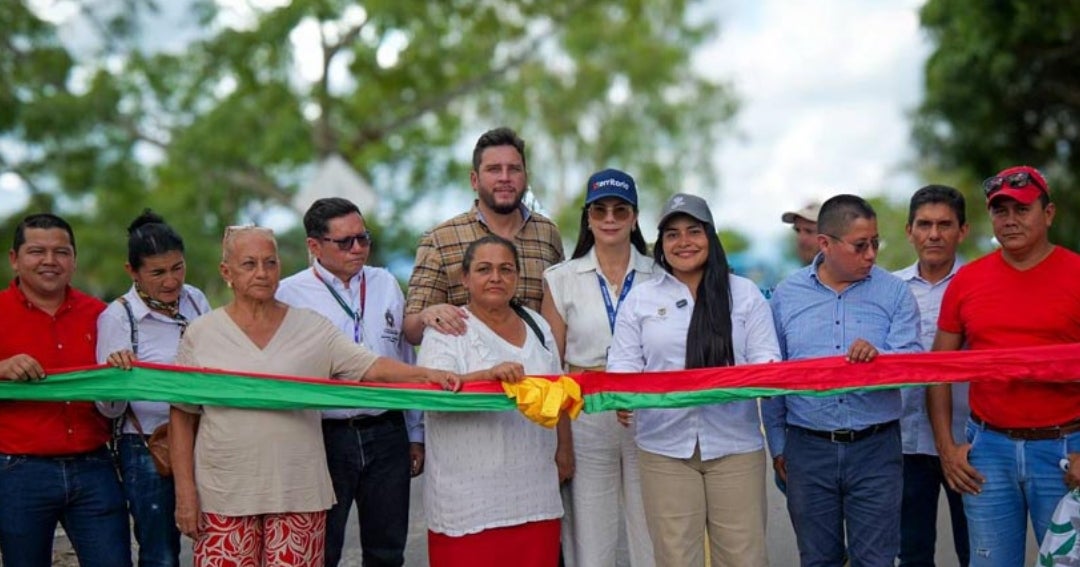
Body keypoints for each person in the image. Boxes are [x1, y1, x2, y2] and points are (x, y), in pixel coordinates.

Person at [168, 225, 463, 566]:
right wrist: (185, 494)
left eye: (271, 263)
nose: (262, 273)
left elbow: (371, 366)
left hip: (298, 493)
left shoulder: (311, 327)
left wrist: (430, 375)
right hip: (224, 495)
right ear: (226, 272)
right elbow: (182, 415)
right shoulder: (202, 333)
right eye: (249, 264)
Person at [608, 193, 780, 566]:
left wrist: (744, 379)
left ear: (711, 236)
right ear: (661, 245)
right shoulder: (640, 300)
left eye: (693, 231)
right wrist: (623, 397)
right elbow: (622, 365)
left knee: (744, 558)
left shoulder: (744, 295)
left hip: (734, 445)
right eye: (672, 235)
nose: (683, 242)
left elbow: (768, 362)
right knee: (674, 557)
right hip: (664, 448)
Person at [928, 165, 1080, 567]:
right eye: (1001, 210)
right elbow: (937, 369)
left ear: (1048, 214)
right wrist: (947, 449)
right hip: (988, 450)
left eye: (1022, 209)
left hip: (1067, 448)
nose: (1010, 220)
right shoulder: (968, 281)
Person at [763, 194, 921, 567]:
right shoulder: (786, 296)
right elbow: (772, 377)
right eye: (860, 245)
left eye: (875, 243)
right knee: (818, 559)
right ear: (825, 244)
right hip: (807, 450)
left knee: (877, 560)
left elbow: (913, 365)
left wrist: (880, 361)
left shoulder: (895, 293)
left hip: (876, 449)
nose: (871, 255)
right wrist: (779, 445)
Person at [276, 198, 422, 567]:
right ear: (314, 246)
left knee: (387, 550)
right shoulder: (288, 294)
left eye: (363, 238)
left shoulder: (385, 282)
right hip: (325, 434)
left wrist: (415, 433)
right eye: (345, 242)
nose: (358, 249)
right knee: (323, 549)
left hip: (386, 429)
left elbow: (405, 358)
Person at [417, 235, 563, 567]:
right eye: (484, 269)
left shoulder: (537, 324)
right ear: (465, 278)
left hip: (534, 491)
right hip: (468, 499)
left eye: (505, 269)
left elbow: (558, 392)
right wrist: (488, 375)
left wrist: (564, 452)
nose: (496, 277)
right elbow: (431, 391)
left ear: (517, 276)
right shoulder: (447, 327)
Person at [0, 213, 132, 567]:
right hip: (19, 472)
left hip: (94, 466)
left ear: (73, 259)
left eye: (60, 252)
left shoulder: (103, 315)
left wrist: (120, 376)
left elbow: (118, 396)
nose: (49, 261)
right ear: (15, 258)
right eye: (36, 251)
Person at [541, 169, 657, 566]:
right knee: (591, 538)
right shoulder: (560, 279)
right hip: (585, 413)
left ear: (635, 217)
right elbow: (552, 368)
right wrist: (562, 441)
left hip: (647, 413)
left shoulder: (660, 274)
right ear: (588, 218)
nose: (610, 219)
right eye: (601, 210)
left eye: (620, 210)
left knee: (653, 532)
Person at [96, 210, 212, 567]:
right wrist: (117, 377)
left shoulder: (195, 300)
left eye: (177, 268)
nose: (171, 280)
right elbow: (108, 409)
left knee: (212, 535)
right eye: (158, 272)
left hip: (202, 436)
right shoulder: (117, 318)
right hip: (148, 447)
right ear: (132, 271)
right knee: (160, 551)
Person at [403, 126, 564, 345]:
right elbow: (412, 331)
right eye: (494, 169)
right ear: (474, 180)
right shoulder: (439, 239)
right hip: (469, 375)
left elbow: (560, 317)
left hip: (536, 375)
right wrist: (428, 315)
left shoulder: (548, 234)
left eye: (514, 169)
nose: (505, 178)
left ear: (525, 177)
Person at [892, 186, 970, 567]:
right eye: (924, 224)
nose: (934, 234)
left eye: (944, 224)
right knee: (912, 553)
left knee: (977, 550)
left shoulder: (979, 285)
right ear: (909, 231)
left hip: (969, 443)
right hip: (904, 444)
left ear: (963, 231)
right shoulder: (888, 289)